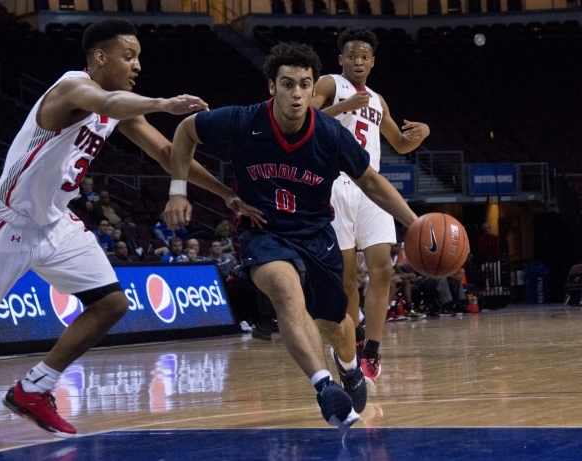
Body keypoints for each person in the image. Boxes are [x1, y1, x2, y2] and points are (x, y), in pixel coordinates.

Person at [0, 19, 260, 437]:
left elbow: (168, 152)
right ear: (100, 57)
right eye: (128, 57)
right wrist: (164, 104)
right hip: (8, 222)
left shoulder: (118, 107)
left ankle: (34, 388)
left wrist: (225, 193)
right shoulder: (72, 88)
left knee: (111, 304)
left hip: (57, 224)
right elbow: (108, 103)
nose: (136, 66)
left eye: (139, 59)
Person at [165, 42, 418, 429]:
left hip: (317, 235)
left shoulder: (330, 134)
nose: (297, 94)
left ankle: (349, 367)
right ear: (272, 87)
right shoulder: (243, 120)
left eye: (304, 84)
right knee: (285, 290)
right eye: (287, 84)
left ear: (313, 85)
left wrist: (413, 223)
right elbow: (185, 131)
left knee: (338, 326)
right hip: (262, 233)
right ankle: (324, 387)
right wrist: (178, 190)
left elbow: (370, 180)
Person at [311, 27, 430, 386]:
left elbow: (398, 142)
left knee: (381, 270)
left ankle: (372, 351)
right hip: (335, 186)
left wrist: (419, 136)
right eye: (352, 56)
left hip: (370, 185)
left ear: (373, 61)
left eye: (364, 57)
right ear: (341, 59)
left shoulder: (378, 101)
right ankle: (355, 336)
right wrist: (343, 107)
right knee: (348, 279)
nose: (358, 61)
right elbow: (305, 121)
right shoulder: (330, 83)